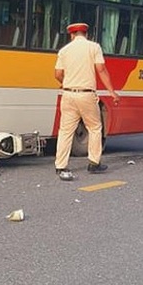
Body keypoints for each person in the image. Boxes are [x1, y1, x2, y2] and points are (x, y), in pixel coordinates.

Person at [53, 22, 121, 181]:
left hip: (68, 94)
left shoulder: (64, 51)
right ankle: (93, 163)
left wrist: (66, 82)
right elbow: (101, 70)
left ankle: (61, 165)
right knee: (95, 127)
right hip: (86, 95)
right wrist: (111, 92)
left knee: (65, 131)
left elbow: (57, 74)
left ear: (71, 35)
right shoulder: (94, 47)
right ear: (86, 34)